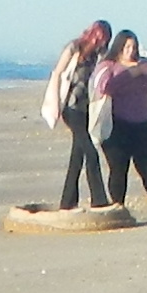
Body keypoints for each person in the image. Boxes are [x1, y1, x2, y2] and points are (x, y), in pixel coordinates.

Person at [94, 30, 147, 218]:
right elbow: (104, 87)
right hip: (117, 126)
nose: (130, 50)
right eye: (127, 46)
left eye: (134, 47)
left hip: (145, 124)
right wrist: (133, 72)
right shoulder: (108, 65)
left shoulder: (146, 64)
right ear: (119, 47)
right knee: (118, 169)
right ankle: (118, 208)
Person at [44, 18, 113, 209]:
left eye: (105, 38)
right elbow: (57, 73)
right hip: (70, 107)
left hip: (86, 110)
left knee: (78, 156)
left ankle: (67, 202)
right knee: (91, 152)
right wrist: (56, 104)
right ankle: (99, 201)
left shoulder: (101, 55)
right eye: (100, 36)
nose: (101, 41)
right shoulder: (74, 48)